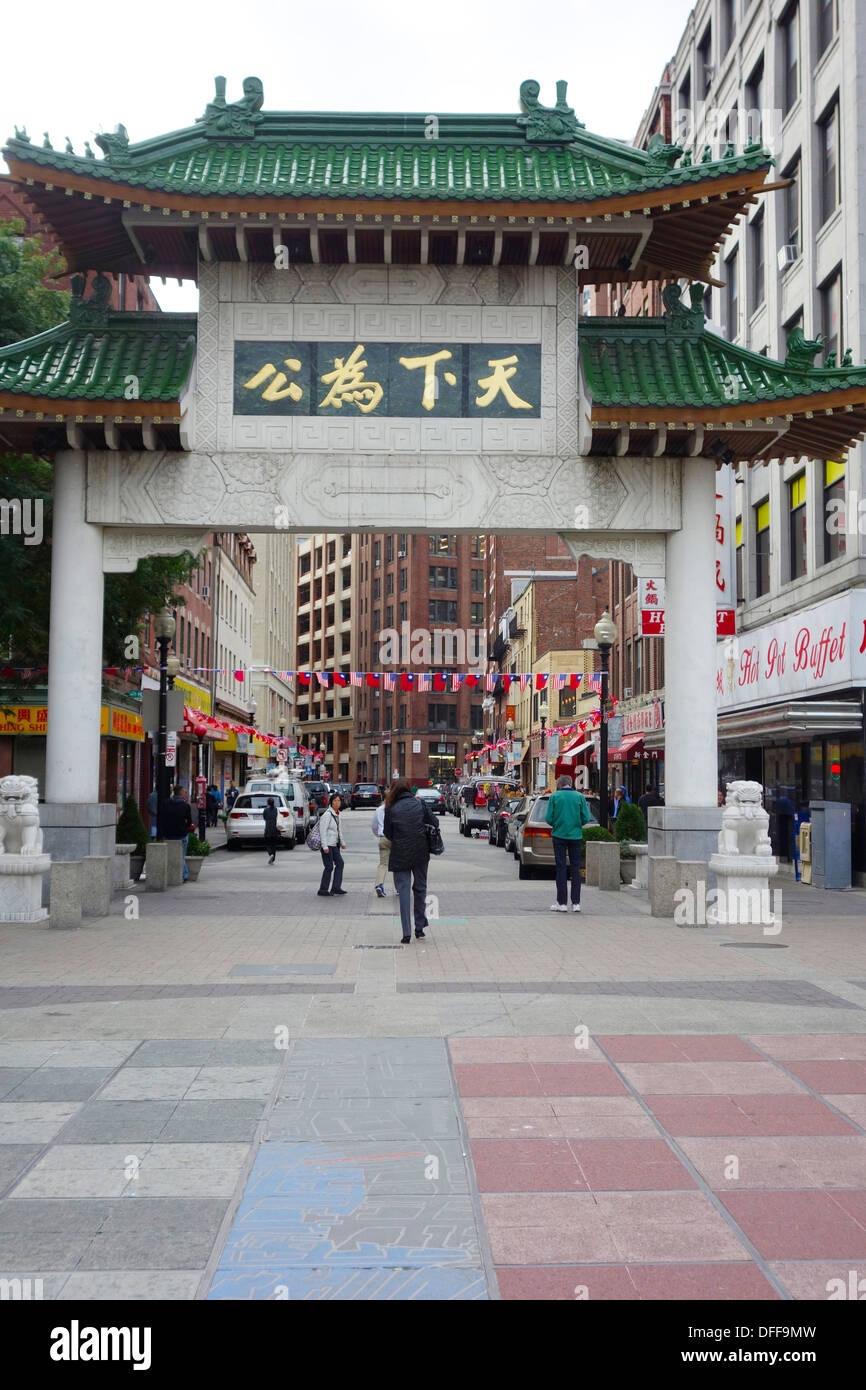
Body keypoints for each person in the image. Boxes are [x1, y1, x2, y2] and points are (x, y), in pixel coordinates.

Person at [384, 778, 435, 943]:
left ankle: (406, 933)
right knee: (420, 889)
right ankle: (419, 928)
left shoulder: (390, 809)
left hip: (400, 854)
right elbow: (434, 822)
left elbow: (388, 833)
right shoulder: (419, 804)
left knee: (404, 892)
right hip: (421, 852)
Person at [545, 773, 592, 913]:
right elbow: (586, 817)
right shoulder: (579, 797)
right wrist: (576, 824)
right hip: (575, 836)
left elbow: (548, 818)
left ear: (559, 785)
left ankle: (562, 903)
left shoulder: (554, 797)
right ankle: (576, 903)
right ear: (570, 784)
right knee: (575, 868)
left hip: (559, 835)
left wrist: (557, 824)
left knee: (561, 868)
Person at [317, 792, 347, 897]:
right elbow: (322, 831)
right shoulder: (327, 815)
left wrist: (343, 843)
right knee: (329, 866)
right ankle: (323, 889)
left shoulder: (337, 814)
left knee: (340, 863)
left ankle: (336, 887)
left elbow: (339, 830)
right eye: (335, 801)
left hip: (334, 845)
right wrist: (324, 846)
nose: (337, 803)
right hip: (327, 845)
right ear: (331, 802)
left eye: (339, 801)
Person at [162, 785, 193, 882]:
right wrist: (186, 828)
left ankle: (176, 874)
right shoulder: (185, 805)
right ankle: (183, 875)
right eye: (184, 792)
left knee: (169, 855)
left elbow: (162, 818)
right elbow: (189, 821)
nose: (185, 794)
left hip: (168, 834)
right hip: (181, 834)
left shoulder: (166, 803)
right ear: (181, 793)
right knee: (181, 856)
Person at [371, 801, 390, 898]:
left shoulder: (379, 809)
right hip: (395, 838)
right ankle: (399, 888)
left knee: (383, 864)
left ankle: (379, 885)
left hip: (383, 838)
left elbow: (374, 825)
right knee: (398, 863)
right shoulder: (396, 807)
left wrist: (378, 834)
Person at [263, 796, 279, 864]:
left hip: (268, 829)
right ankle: (273, 858)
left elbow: (264, 817)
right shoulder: (275, 809)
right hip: (274, 829)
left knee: (268, 844)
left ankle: (270, 854)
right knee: (274, 845)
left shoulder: (266, 810)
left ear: (268, 803)